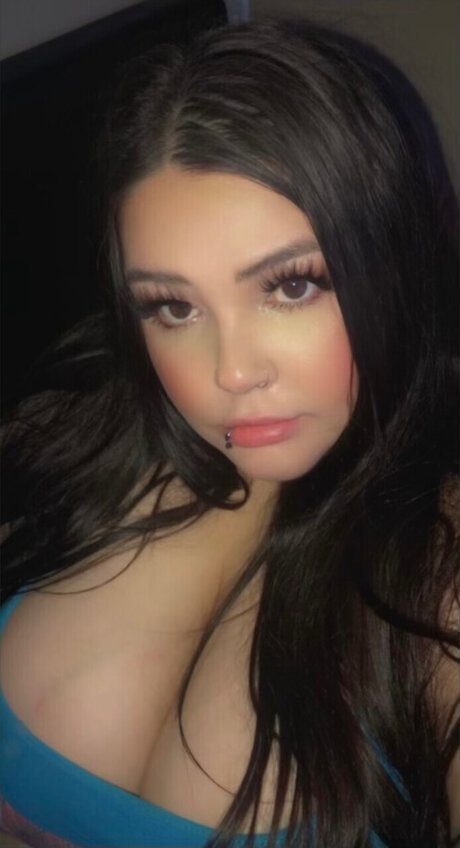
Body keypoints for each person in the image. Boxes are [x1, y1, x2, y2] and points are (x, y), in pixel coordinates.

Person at [0, 15, 458, 848]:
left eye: (291, 286)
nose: (232, 373)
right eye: (174, 307)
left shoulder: (437, 574)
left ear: (388, 261)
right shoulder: (57, 437)